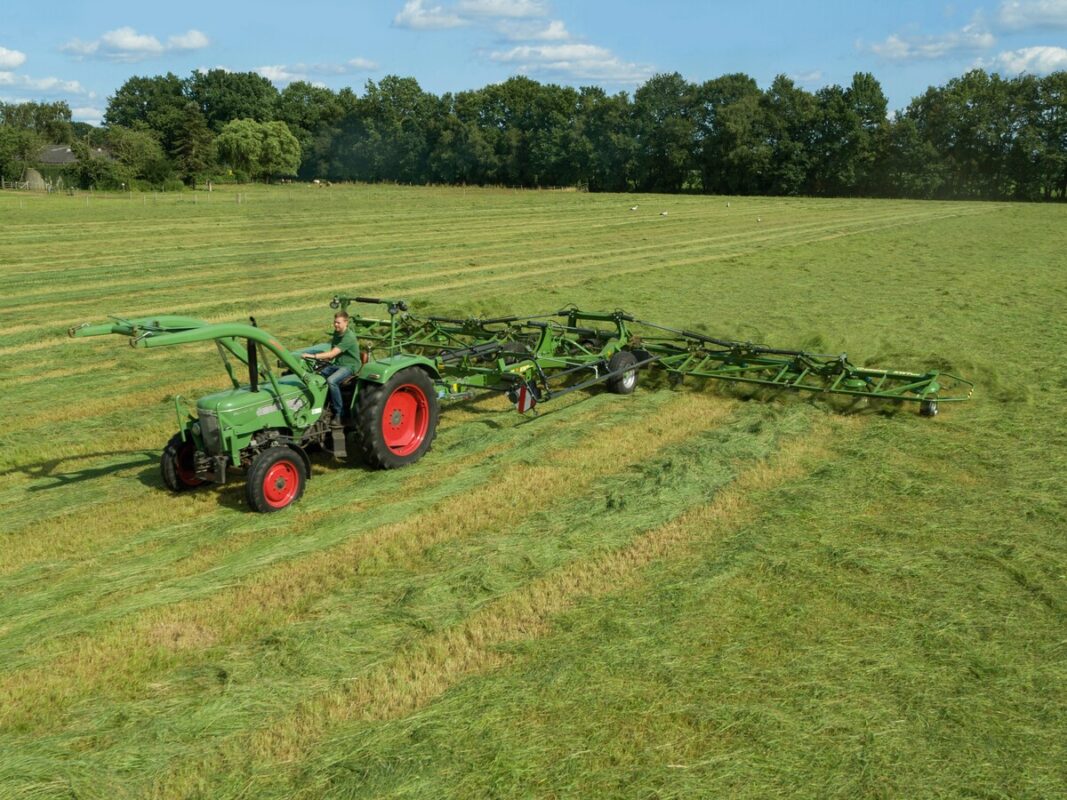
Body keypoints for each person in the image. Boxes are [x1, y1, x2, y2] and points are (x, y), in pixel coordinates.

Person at [305, 311, 360, 421]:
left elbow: (332, 353)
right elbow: (331, 354)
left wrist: (312, 356)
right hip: (338, 364)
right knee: (316, 376)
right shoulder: (336, 333)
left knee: (331, 381)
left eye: (338, 323)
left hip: (350, 366)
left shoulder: (348, 337)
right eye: (334, 322)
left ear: (346, 322)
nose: (335, 325)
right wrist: (323, 360)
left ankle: (339, 413)